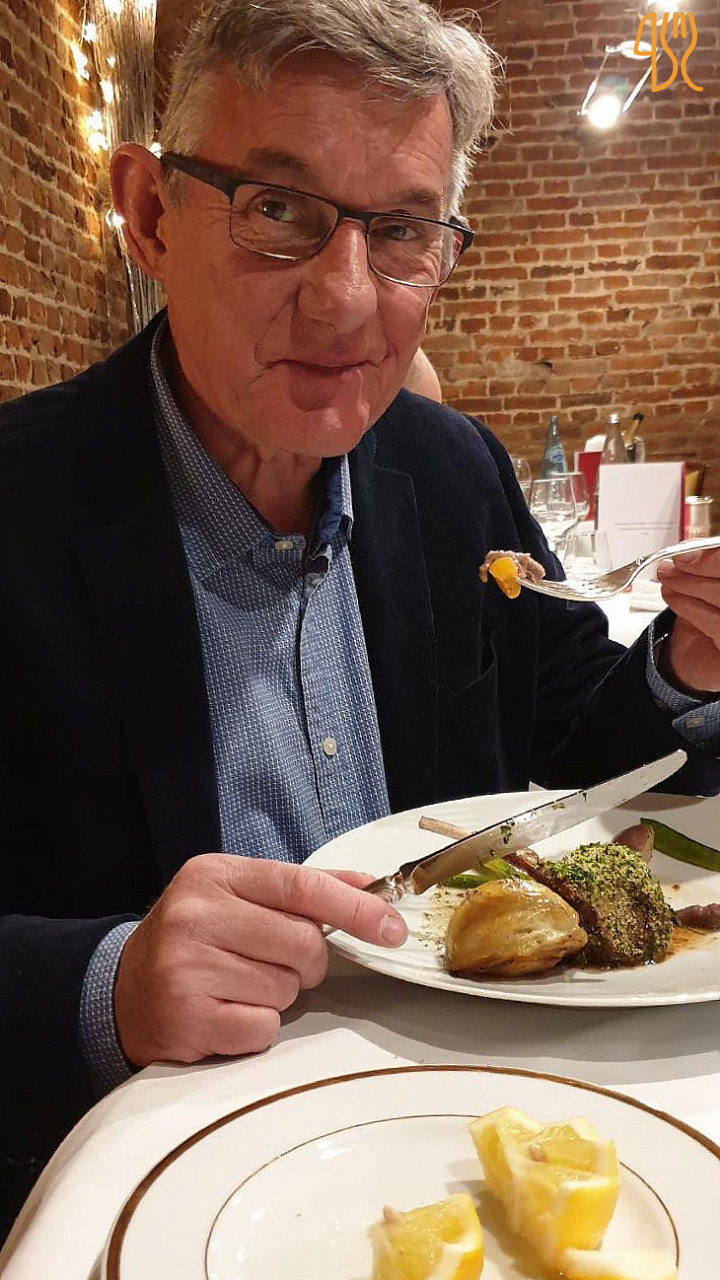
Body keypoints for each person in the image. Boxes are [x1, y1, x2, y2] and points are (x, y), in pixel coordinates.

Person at [2, 0, 720, 1237]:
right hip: (145, 1182)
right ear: (151, 212)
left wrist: (688, 668)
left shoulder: (452, 473)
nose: (345, 303)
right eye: (277, 210)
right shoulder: (21, 504)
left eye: (399, 232)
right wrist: (104, 981)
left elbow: (573, 740)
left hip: (470, 1149)